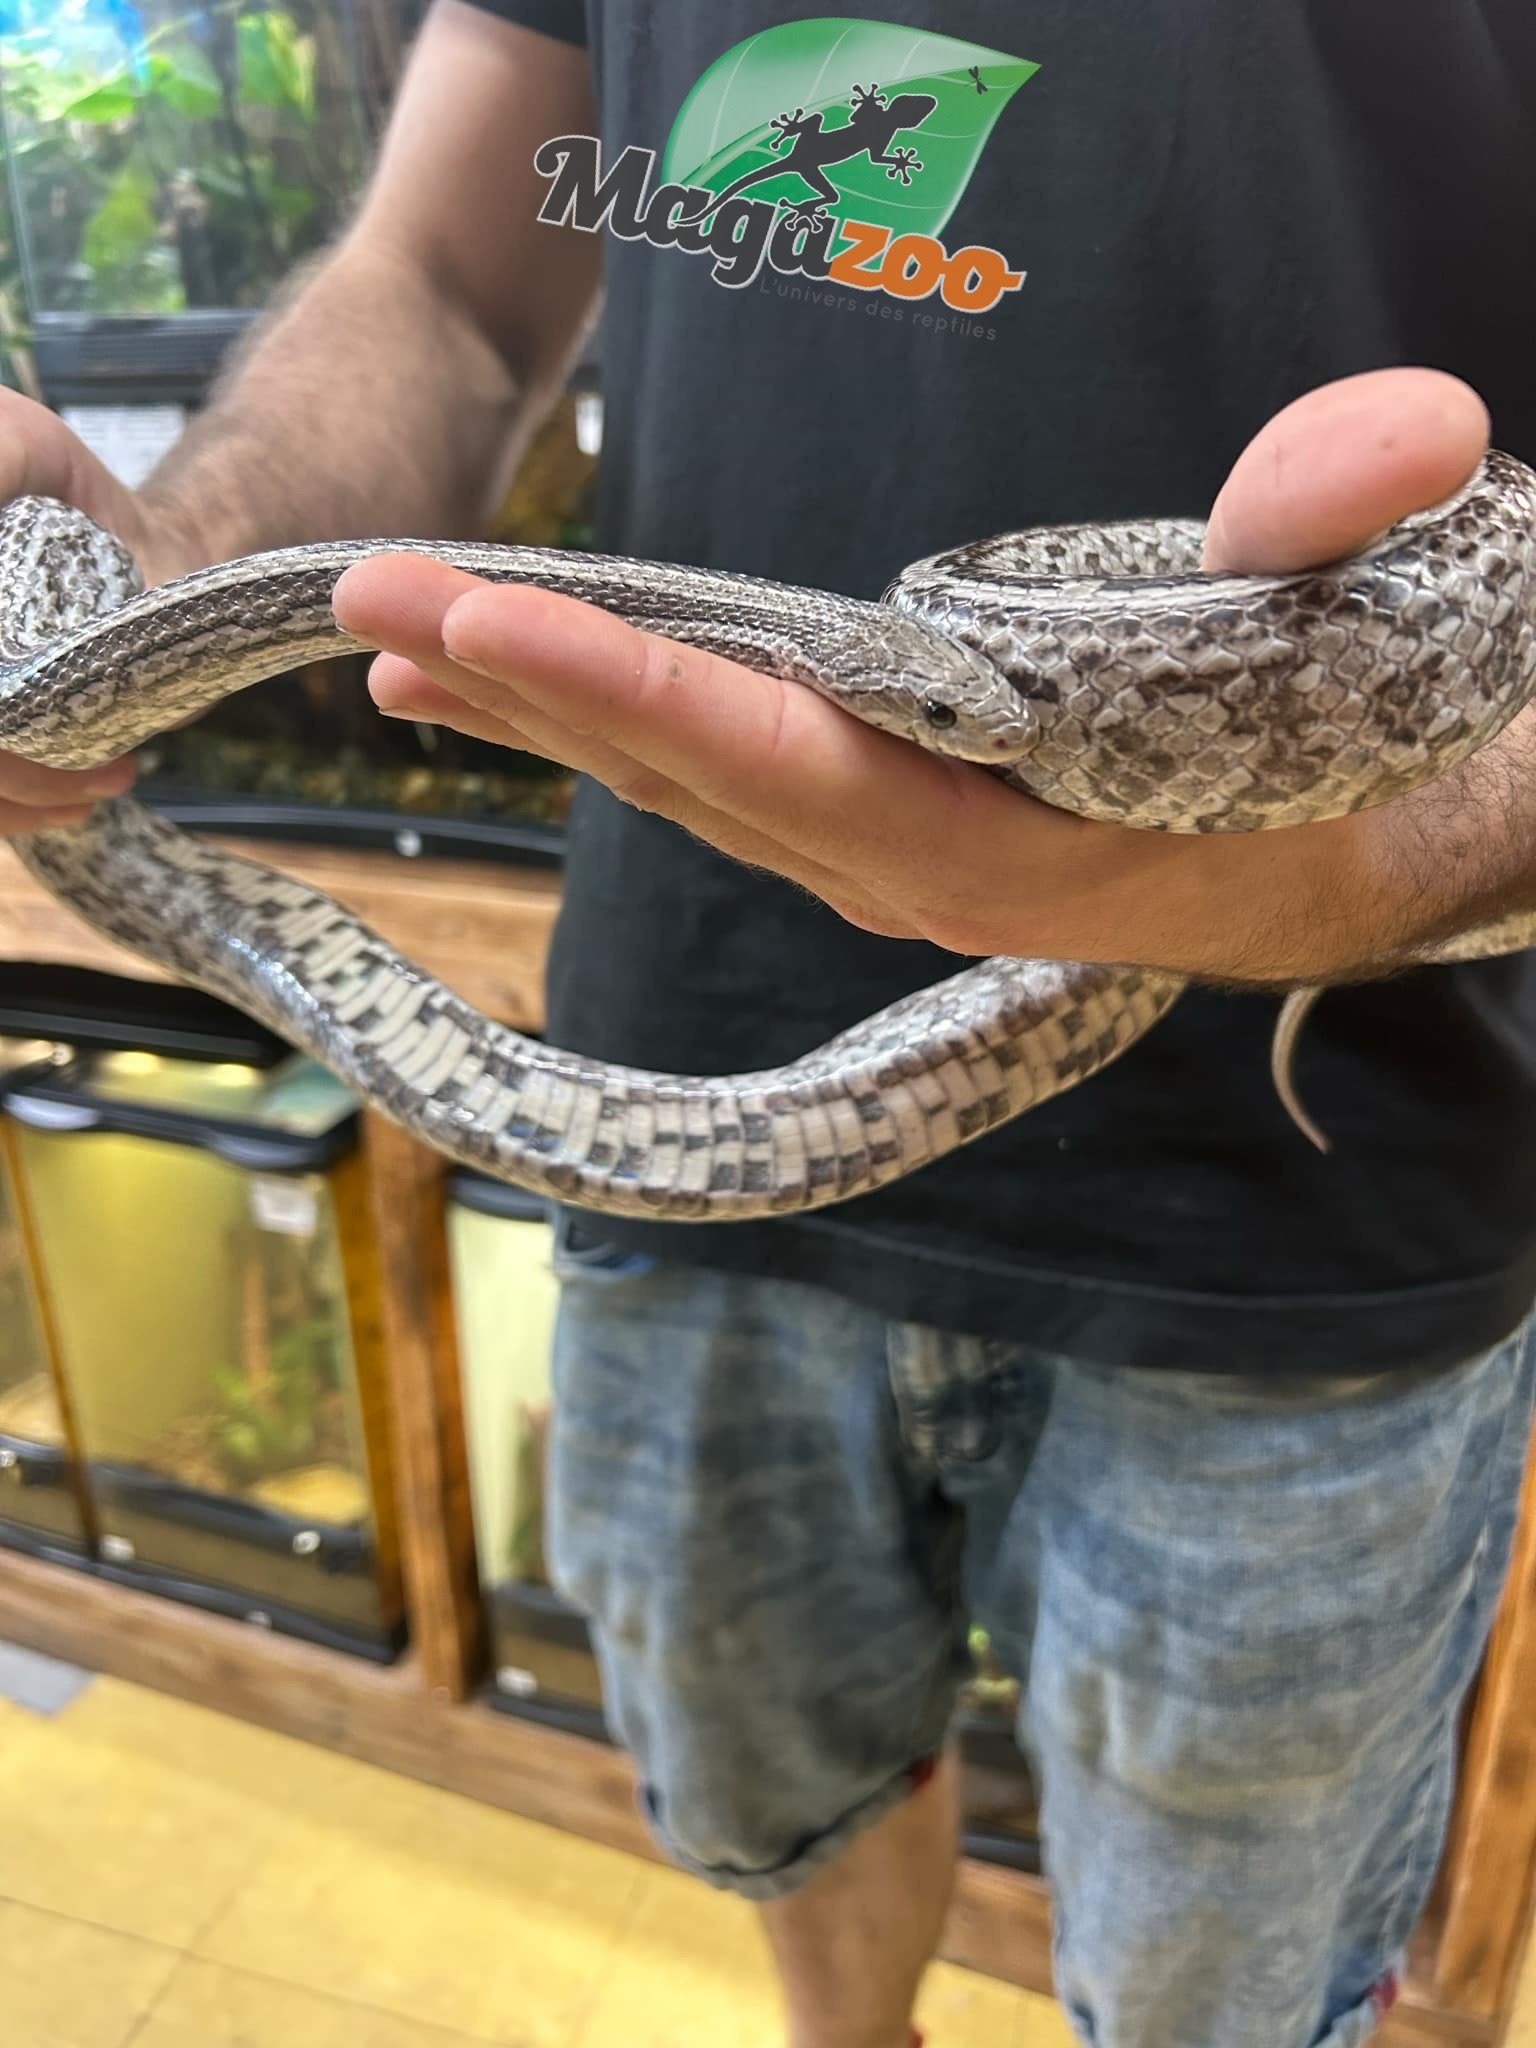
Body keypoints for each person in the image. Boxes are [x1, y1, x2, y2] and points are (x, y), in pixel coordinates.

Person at [4, 5, 1534, 2043]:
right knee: (781, 1811)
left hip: (1335, 1208)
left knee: (1234, 1988)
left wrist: (1336, 861)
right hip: (676, 1085)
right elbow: (452, 287)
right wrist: (111, 618)